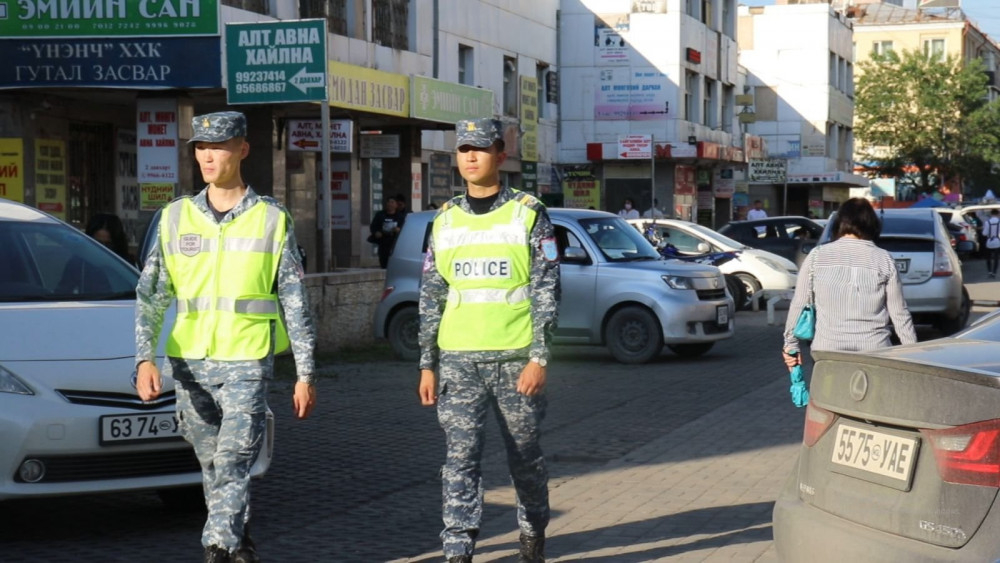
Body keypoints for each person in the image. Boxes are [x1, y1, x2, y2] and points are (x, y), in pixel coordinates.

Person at [134, 111, 317, 563]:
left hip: (247, 359)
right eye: (200, 147)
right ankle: (240, 539)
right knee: (213, 464)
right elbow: (152, 294)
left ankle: (216, 548)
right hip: (189, 361)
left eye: (218, 146)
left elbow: (295, 299)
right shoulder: (174, 217)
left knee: (235, 458)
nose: (208, 155)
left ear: (242, 149)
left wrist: (305, 373)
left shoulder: (271, 218)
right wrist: (144, 359)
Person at [417, 117, 560, 563]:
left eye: (481, 149)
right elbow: (431, 295)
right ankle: (457, 549)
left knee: (525, 458)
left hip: (516, 359)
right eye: (463, 149)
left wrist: (540, 356)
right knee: (460, 461)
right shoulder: (444, 220)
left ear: (501, 154)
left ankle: (532, 532)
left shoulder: (529, 212)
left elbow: (546, 288)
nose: (471, 157)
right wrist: (427, 362)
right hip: (459, 360)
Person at [782, 198, 916, 372]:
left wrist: (790, 345)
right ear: (872, 224)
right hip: (875, 352)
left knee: (827, 399)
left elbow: (799, 303)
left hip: (827, 352)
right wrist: (913, 352)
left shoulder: (816, 256)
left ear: (839, 223)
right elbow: (899, 313)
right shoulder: (884, 259)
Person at [369, 195, 406, 268]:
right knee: (384, 262)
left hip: (395, 243)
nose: (390, 204)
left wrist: (399, 230)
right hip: (383, 242)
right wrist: (376, 232)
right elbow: (373, 226)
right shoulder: (380, 215)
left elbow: (405, 228)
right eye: (388, 202)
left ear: (396, 205)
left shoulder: (400, 216)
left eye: (392, 202)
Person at [985, 208, 1000, 278]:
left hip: (989, 242)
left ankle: (989, 271)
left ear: (991, 214)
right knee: (996, 258)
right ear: (998, 214)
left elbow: (984, 233)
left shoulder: (987, 222)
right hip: (997, 241)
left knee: (988, 258)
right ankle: (994, 272)